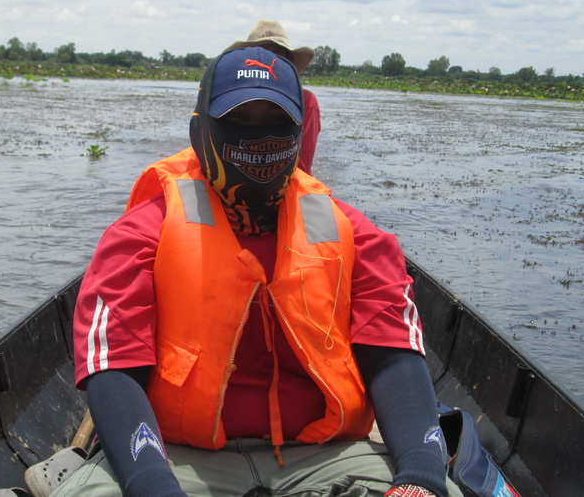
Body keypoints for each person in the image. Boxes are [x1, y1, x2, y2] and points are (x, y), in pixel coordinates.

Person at [51, 47, 461, 497]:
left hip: (324, 452)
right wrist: (151, 484)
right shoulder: (141, 234)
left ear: (299, 132)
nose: (259, 138)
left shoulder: (354, 233)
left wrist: (421, 476)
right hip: (178, 455)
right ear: (200, 128)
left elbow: (394, 353)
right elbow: (115, 370)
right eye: (240, 121)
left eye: (274, 122)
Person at [224, 20, 321, 175]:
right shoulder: (232, 100)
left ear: (288, 62)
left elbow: (302, 165)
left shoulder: (306, 101)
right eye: (260, 53)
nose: (267, 60)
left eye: (275, 54)